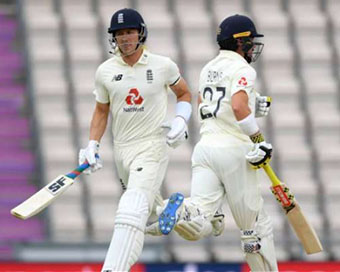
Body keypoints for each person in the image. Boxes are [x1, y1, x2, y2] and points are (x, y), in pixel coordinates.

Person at [152, 14, 278, 271]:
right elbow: (238, 106)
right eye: (251, 41)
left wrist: (255, 104)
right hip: (235, 152)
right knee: (253, 230)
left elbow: (208, 105)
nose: (253, 46)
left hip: (205, 149)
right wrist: (259, 142)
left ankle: (176, 209)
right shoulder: (244, 69)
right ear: (240, 43)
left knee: (201, 219)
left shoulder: (208, 68)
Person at [78, 8, 192, 272]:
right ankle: (187, 214)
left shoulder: (162, 65)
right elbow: (101, 110)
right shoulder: (105, 71)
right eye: (119, 34)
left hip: (151, 146)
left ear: (140, 33)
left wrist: (180, 119)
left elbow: (184, 93)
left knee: (130, 210)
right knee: (149, 216)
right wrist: (92, 144)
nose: (125, 38)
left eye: (129, 32)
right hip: (123, 151)